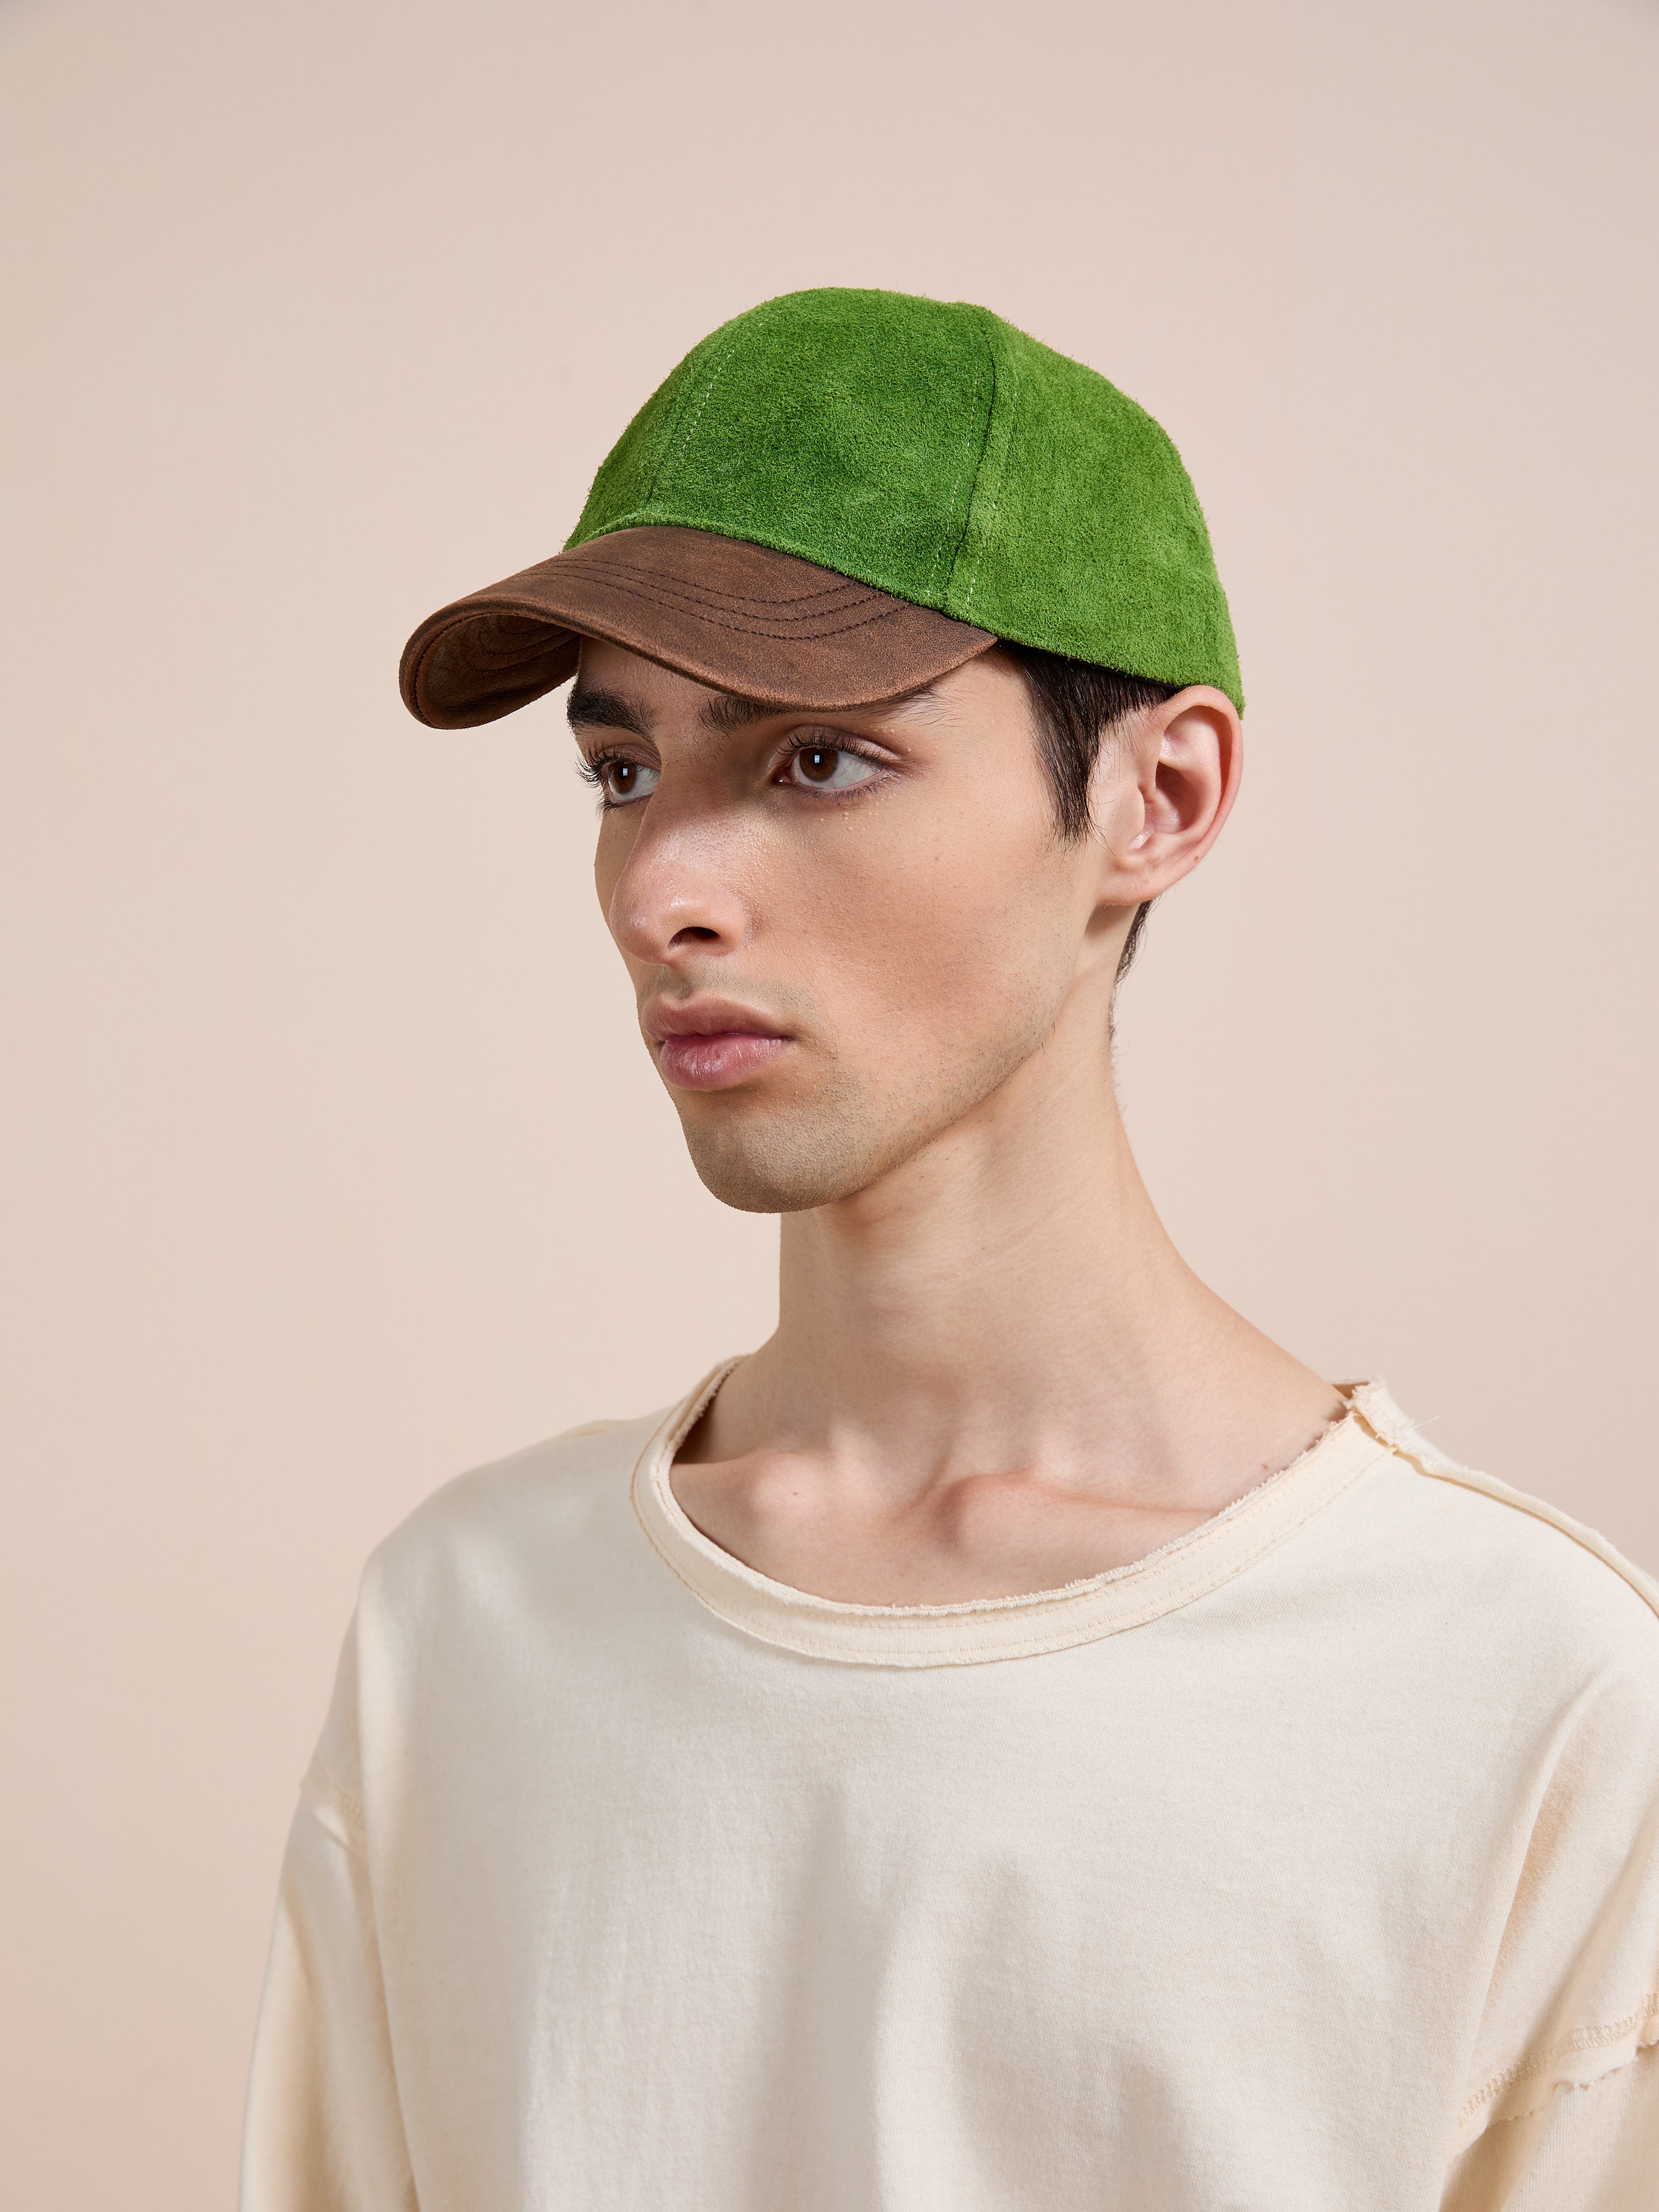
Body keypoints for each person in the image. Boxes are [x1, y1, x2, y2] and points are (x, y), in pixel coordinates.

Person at [241, 289, 1659, 2210]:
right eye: (620, 767)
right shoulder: (468, 1629)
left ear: (1158, 800)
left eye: (816, 759)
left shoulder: (1527, 1695)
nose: (664, 885)